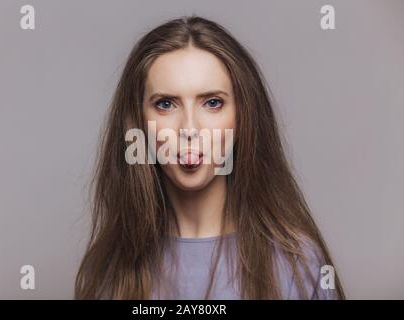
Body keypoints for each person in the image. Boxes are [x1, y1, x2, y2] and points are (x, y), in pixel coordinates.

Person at [74, 15, 345, 300]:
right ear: (138, 122)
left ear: (243, 117)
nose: (189, 129)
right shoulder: (106, 270)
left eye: (212, 103)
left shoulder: (299, 264)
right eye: (165, 104)